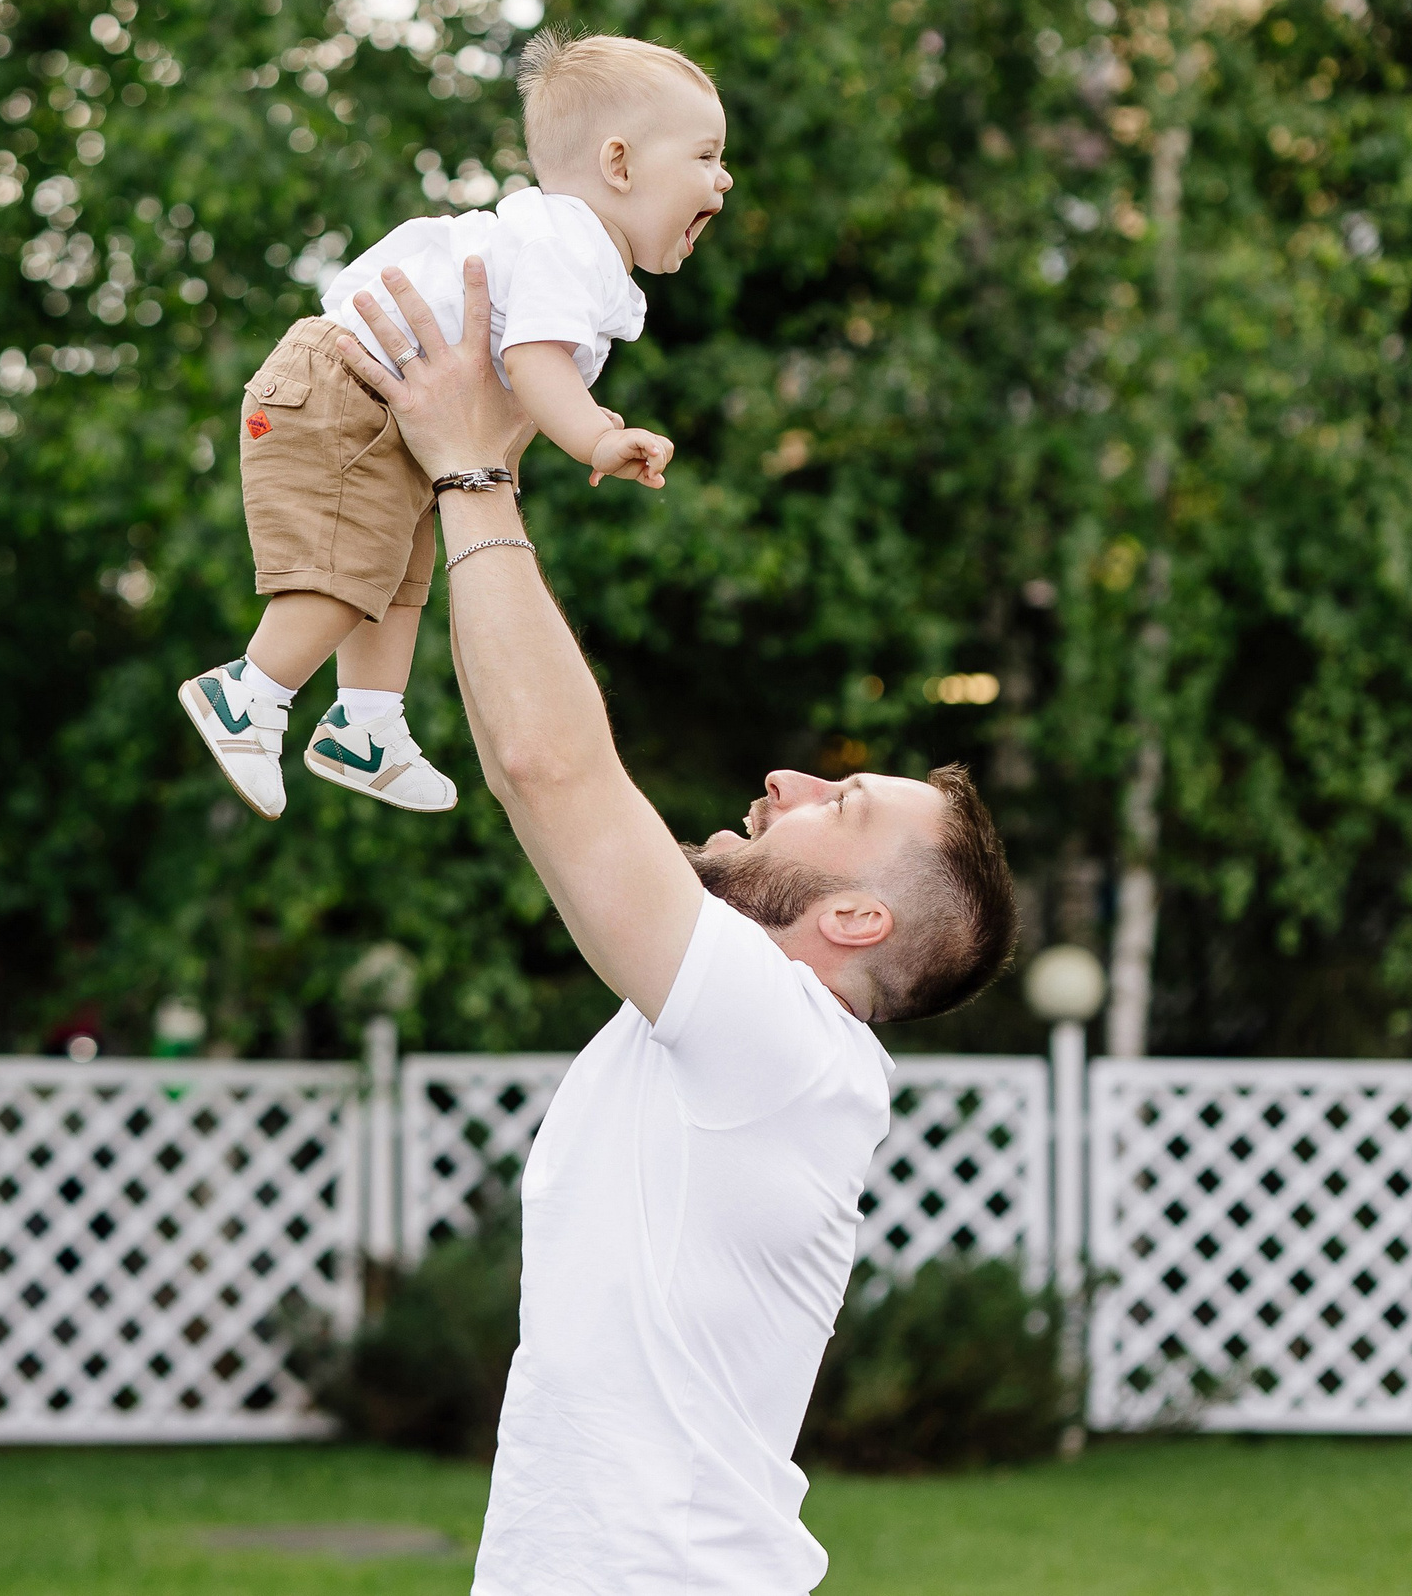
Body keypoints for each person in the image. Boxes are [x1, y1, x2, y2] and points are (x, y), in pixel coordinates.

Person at [328, 261, 1018, 1595]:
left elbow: (551, 768)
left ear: (856, 917)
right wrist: (459, 487)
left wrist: (475, 473)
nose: (789, 780)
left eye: (840, 801)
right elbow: (526, 762)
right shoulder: (733, 1035)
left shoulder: (786, 1042)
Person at [178, 30, 732, 820]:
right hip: (343, 388)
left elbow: (527, 374)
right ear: (619, 164)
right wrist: (596, 437)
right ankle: (247, 693)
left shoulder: (570, 248)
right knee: (350, 566)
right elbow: (533, 358)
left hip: (375, 404)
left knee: (396, 573)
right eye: (706, 156)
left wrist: (576, 413)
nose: (724, 177)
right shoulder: (572, 241)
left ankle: (365, 726)